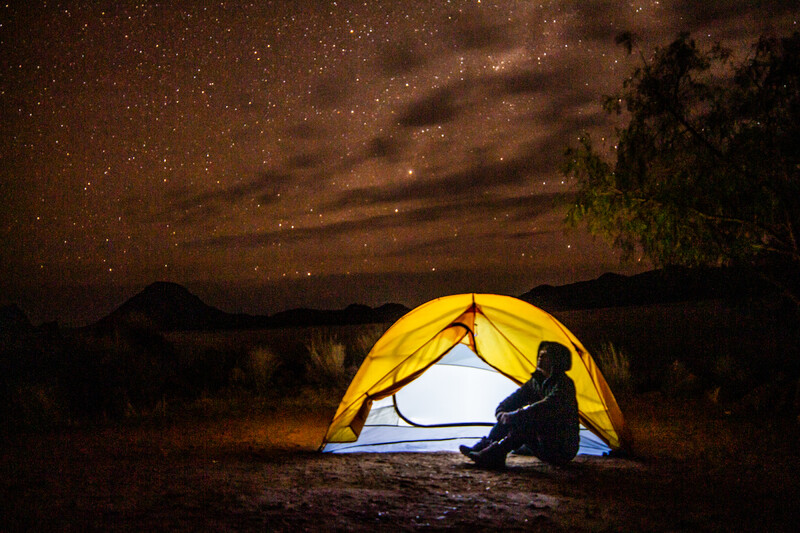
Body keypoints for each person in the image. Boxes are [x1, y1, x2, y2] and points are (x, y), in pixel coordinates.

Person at [460, 340, 580, 468]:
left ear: (556, 361)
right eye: (540, 354)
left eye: (545, 355)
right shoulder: (535, 382)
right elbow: (510, 401)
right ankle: (487, 445)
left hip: (561, 449)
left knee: (528, 419)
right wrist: (502, 414)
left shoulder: (564, 385)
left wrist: (514, 416)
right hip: (541, 442)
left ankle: (497, 453)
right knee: (513, 417)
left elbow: (545, 407)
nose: (540, 357)